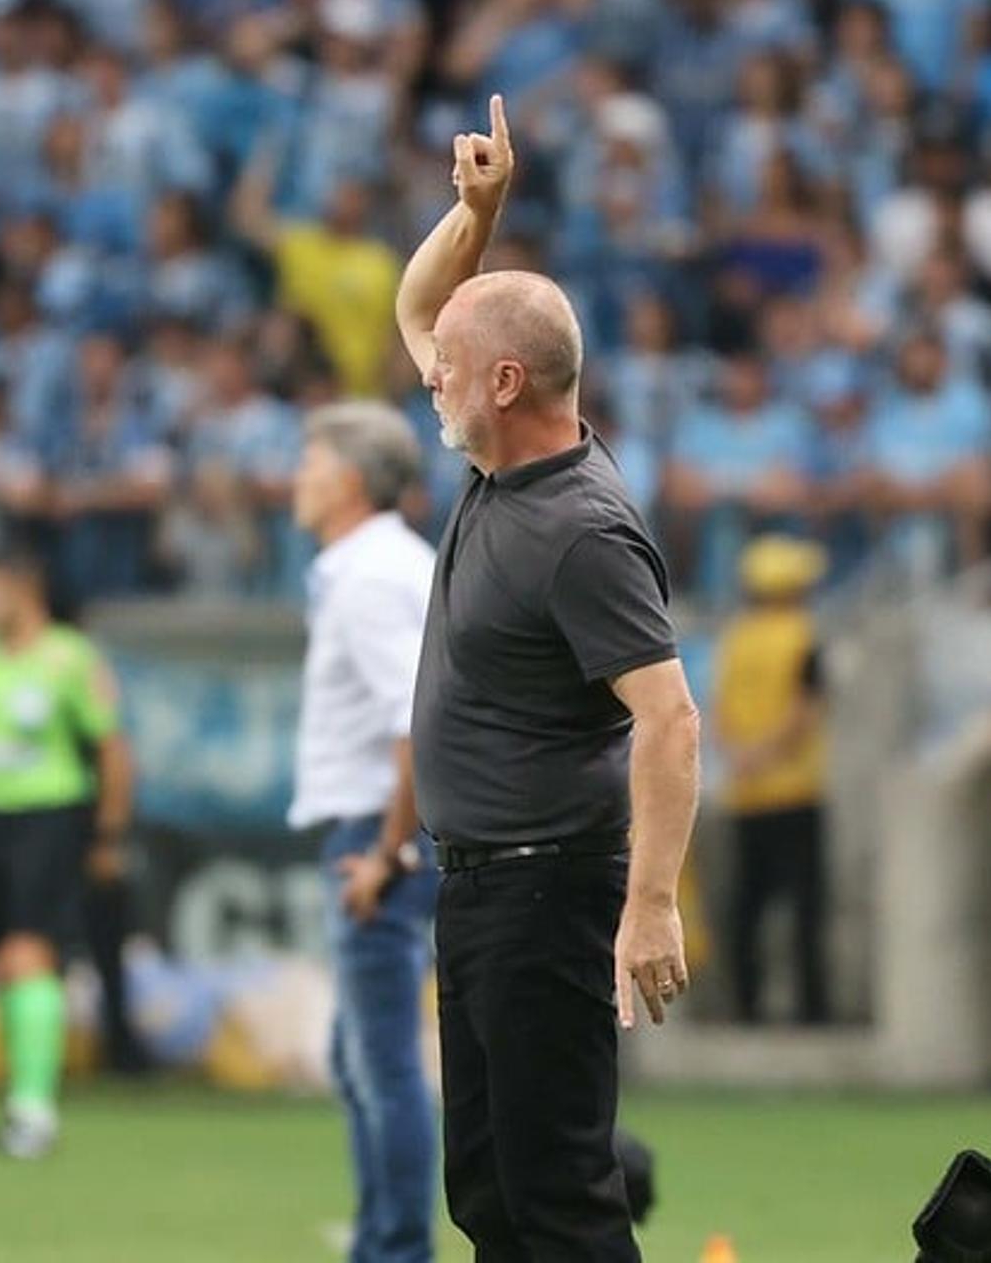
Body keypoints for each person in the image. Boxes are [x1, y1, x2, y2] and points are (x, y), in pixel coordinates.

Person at [396, 95, 700, 1261]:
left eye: (452, 371)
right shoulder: (504, 459)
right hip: (482, 890)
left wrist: (653, 899)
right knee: (492, 1196)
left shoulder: (580, 529)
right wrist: (478, 216)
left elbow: (669, 718)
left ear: (509, 381)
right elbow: (420, 304)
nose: (430, 376)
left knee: (561, 1199)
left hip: (544, 892)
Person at [0, 541, 133, 1159]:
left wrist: (109, 832)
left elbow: (113, 749)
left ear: (22, 589)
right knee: (0, 961)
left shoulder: (70, 658)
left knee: (30, 952)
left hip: (48, 817)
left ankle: (36, 1110)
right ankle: (19, 1100)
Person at [289, 400, 440, 1263]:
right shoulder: (375, 566)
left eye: (310, 465)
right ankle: (387, 1241)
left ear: (348, 481)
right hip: (375, 826)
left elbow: (414, 723)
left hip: (375, 833)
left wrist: (388, 850)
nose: (296, 482)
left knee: (381, 1067)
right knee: (363, 1061)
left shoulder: (371, 576)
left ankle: (394, 1249)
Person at [714, 535, 830, 1025]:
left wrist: (742, 756)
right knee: (806, 907)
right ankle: (811, 1007)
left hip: (747, 791)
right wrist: (767, 754)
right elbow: (806, 710)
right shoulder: (805, 636)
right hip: (795, 789)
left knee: (747, 906)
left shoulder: (736, 638)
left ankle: (745, 1003)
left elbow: (718, 710)